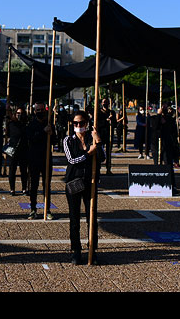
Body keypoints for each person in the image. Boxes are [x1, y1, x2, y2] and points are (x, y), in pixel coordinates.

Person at [62, 110, 104, 265]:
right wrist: (88, 153)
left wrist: (98, 142)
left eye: (81, 123)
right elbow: (72, 160)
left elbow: (102, 158)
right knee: (74, 218)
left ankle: (92, 249)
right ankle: (76, 251)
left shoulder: (92, 138)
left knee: (91, 218)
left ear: (87, 124)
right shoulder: (68, 140)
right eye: (75, 123)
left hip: (90, 182)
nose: (78, 125)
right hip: (74, 182)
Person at [26, 101, 53, 220]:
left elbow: (55, 141)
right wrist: (43, 132)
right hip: (34, 158)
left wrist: (51, 133)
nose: (40, 112)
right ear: (34, 111)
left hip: (46, 158)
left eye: (42, 110)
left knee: (47, 185)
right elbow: (31, 139)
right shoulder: (31, 124)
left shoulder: (49, 124)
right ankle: (33, 208)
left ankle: (47, 209)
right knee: (34, 185)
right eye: (38, 110)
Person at [6, 105, 29, 196]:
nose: (19, 115)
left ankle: (24, 188)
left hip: (24, 150)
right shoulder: (11, 124)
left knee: (24, 170)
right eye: (18, 113)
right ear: (15, 114)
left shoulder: (26, 124)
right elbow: (7, 135)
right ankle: (12, 189)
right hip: (13, 150)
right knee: (12, 170)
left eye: (22, 113)